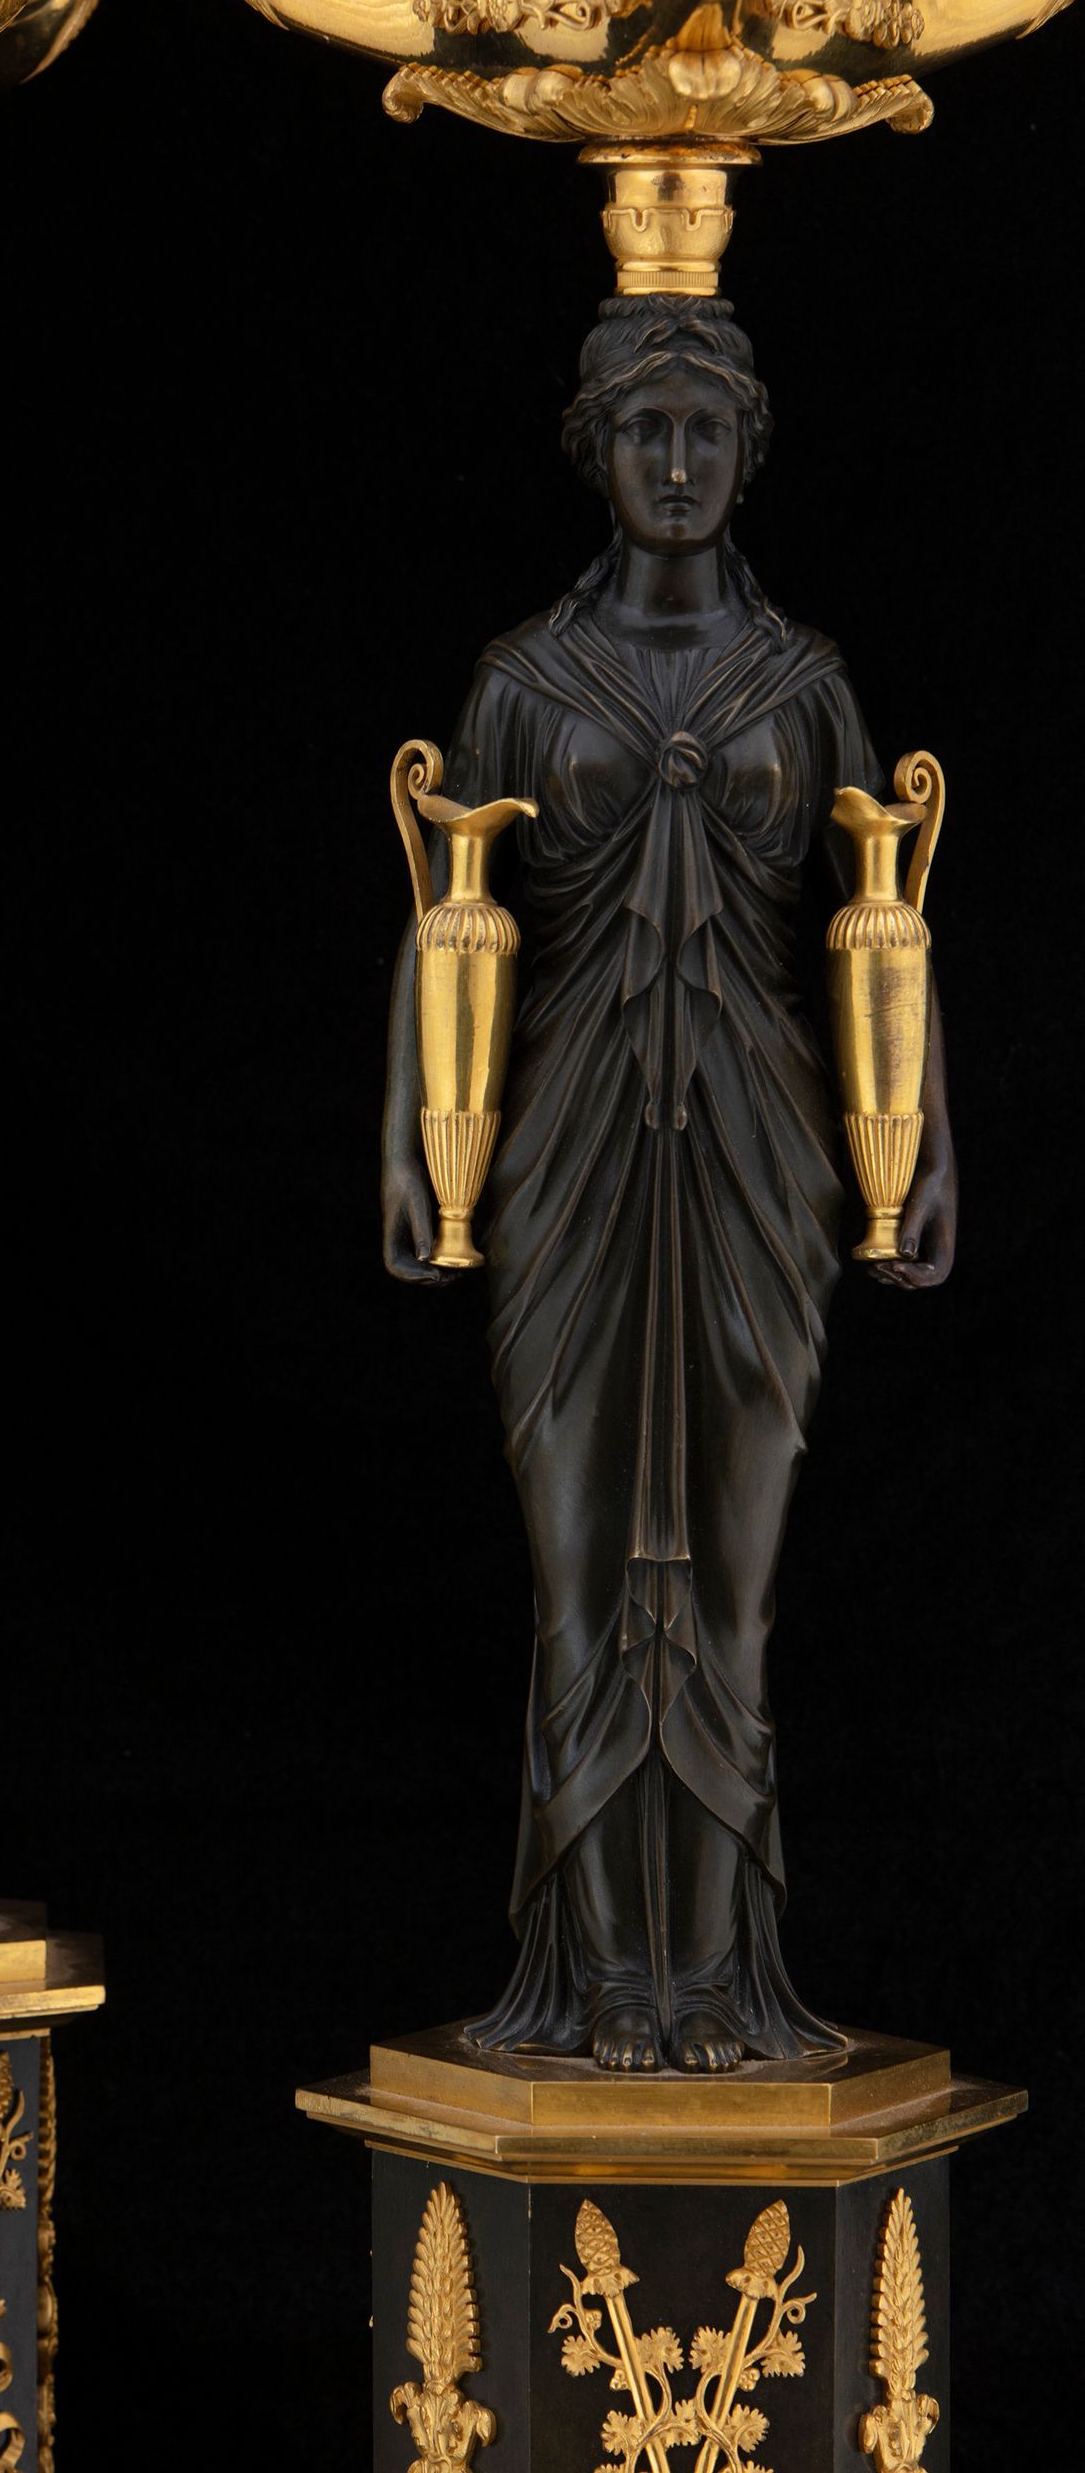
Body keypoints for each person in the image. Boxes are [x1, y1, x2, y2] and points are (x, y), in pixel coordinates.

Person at [381, 296, 955, 2072]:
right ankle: (594, 1983)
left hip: (767, 1159)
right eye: (648, 431)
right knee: (578, 1578)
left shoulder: (805, 683)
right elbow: (442, 917)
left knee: (728, 1586)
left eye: (709, 431)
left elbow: (890, 918)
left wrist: (926, 1142)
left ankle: (711, 1976)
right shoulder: (522, 684)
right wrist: (409, 1138)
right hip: (559, 1155)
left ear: (751, 449)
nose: (680, 464)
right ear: (596, 451)